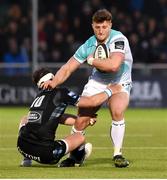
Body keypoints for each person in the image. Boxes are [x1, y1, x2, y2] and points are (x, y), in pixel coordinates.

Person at [42, 8, 133, 168]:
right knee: (81, 120)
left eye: (104, 27)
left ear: (110, 25)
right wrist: (54, 82)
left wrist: (91, 61)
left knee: (117, 110)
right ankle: (75, 156)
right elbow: (68, 67)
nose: (101, 31)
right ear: (92, 26)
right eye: (97, 27)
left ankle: (117, 154)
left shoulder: (118, 39)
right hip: (97, 82)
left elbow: (114, 65)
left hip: (120, 81)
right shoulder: (88, 44)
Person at [17, 67, 123, 167]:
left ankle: (26, 159)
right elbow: (90, 102)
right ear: (53, 78)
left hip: (21, 146)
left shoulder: (39, 96)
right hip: (47, 155)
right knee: (79, 137)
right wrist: (110, 91)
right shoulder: (61, 92)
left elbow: (58, 117)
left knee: (25, 119)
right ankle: (79, 156)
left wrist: (82, 120)